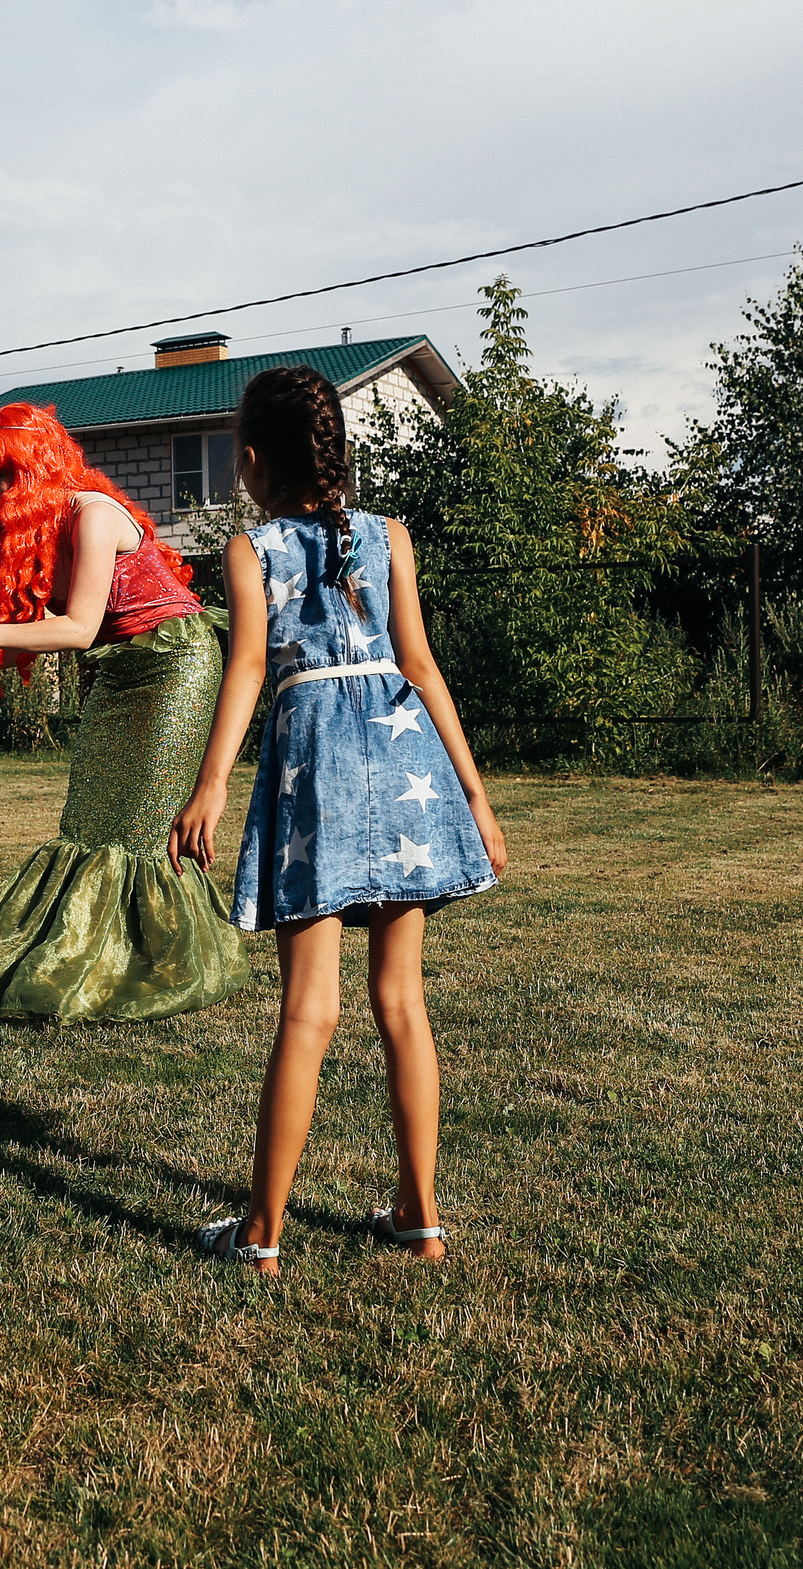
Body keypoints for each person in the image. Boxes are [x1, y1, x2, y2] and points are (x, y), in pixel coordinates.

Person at [170, 365, 507, 1274]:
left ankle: (265, 1234)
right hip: (407, 766)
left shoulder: (252, 551)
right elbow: (425, 667)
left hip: (316, 770)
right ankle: (421, 1217)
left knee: (307, 1011)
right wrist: (475, 797)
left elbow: (245, 672)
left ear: (250, 459)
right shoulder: (390, 535)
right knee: (402, 1001)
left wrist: (209, 785)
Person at [0, 403, 248, 1023]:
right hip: (121, 671)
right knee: (91, 817)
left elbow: (79, 627)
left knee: (140, 821)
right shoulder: (41, 532)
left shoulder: (91, 515)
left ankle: (152, 961)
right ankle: (83, 949)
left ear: (38, 467)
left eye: (2, 475)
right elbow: (77, 631)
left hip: (176, 667)